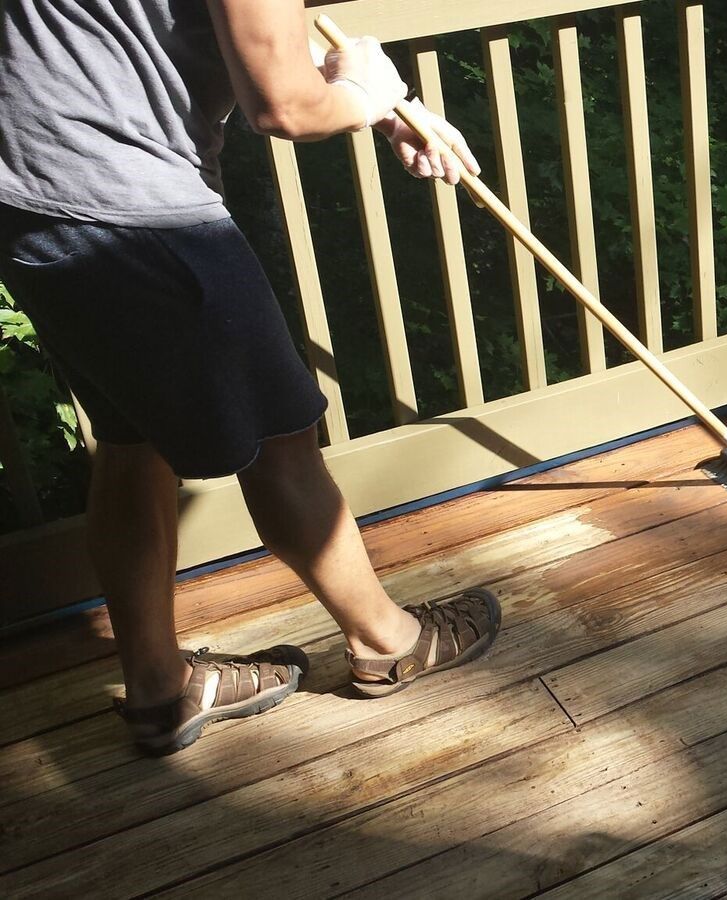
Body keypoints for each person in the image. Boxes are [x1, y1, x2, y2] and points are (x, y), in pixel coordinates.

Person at [0, 0, 501, 755]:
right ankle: (387, 640)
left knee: (132, 441)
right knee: (279, 439)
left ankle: (158, 690)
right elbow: (285, 106)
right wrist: (360, 98)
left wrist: (381, 101)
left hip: (29, 192)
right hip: (129, 203)